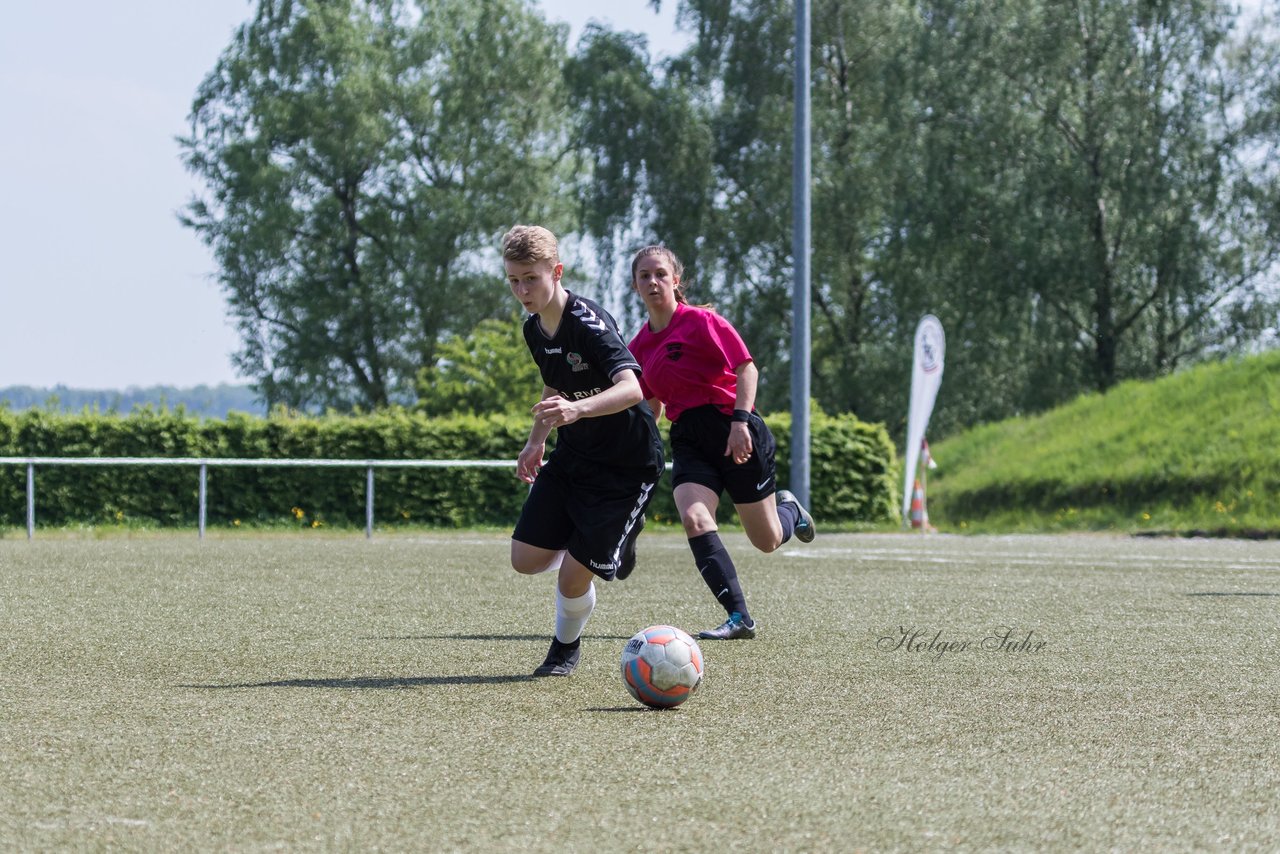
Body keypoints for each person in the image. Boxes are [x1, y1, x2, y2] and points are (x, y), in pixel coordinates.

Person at [627, 245, 814, 641]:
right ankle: (739, 617)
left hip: (734, 428)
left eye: (660, 273)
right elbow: (651, 403)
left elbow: (747, 368)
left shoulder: (702, 322)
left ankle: (790, 511)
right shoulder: (638, 346)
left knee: (766, 541)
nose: (653, 281)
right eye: (644, 276)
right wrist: (638, 444)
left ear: (676, 281)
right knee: (695, 518)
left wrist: (740, 421)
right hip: (689, 439)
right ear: (635, 286)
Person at [503, 225, 665, 677]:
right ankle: (602, 543)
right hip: (574, 457)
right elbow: (553, 383)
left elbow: (632, 389)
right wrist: (535, 441)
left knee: (572, 575)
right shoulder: (533, 330)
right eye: (514, 280)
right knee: (524, 559)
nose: (522, 290)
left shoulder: (588, 322)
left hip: (626, 466)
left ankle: (564, 650)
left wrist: (576, 410)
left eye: (531, 279)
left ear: (556, 272)